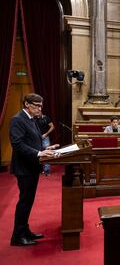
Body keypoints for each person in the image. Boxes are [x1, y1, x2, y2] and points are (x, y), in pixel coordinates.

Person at [9, 93, 59, 246]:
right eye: (37, 105)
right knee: (24, 202)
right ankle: (17, 237)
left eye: (40, 105)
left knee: (28, 201)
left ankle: (25, 230)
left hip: (32, 167)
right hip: (24, 168)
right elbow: (17, 144)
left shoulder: (32, 120)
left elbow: (33, 140)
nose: (39, 108)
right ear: (26, 104)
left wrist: (45, 148)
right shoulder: (17, 120)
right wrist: (38, 153)